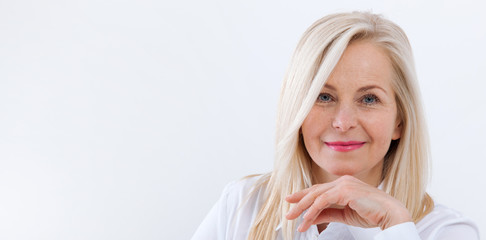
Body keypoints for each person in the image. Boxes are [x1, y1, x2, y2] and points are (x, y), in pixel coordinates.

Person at [191, 11, 480, 240]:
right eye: (323, 96)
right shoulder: (243, 204)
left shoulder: (447, 232)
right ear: (297, 112)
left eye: (369, 98)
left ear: (399, 121)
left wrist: (394, 229)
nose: (343, 123)